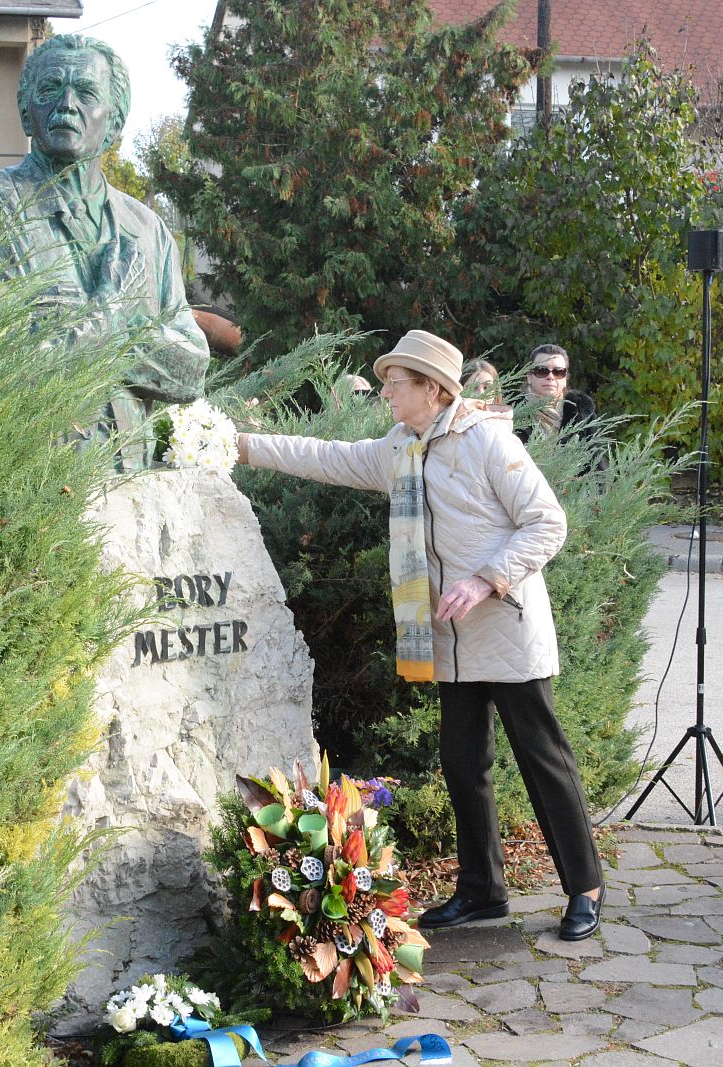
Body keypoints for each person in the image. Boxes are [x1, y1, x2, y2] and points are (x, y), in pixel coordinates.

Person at [235, 330, 605, 940]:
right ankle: (483, 891)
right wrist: (241, 445)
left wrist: (485, 580)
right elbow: (325, 457)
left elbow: (548, 524)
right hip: (447, 639)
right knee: (464, 763)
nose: (384, 392)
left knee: (544, 761)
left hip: (506, 630)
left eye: (394, 383)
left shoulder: (488, 439)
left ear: (432, 389)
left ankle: (584, 886)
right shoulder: (400, 448)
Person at [0, 34, 208, 468]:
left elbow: (190, 371)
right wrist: (114, 312)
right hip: (29, 487)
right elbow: (3, 364)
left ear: (115, 122)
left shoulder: (148, 230)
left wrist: (76, 332)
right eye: (50, 90)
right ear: (27, 113)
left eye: (86, 92)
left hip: (132, 479)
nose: (66, 103)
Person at [516, 344, 594, 445]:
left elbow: (596, 457)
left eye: (558, 372)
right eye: (542, 371)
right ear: (529, 377)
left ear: (566, 379)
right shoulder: (511, 413)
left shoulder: (583, 414)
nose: (550, 377)